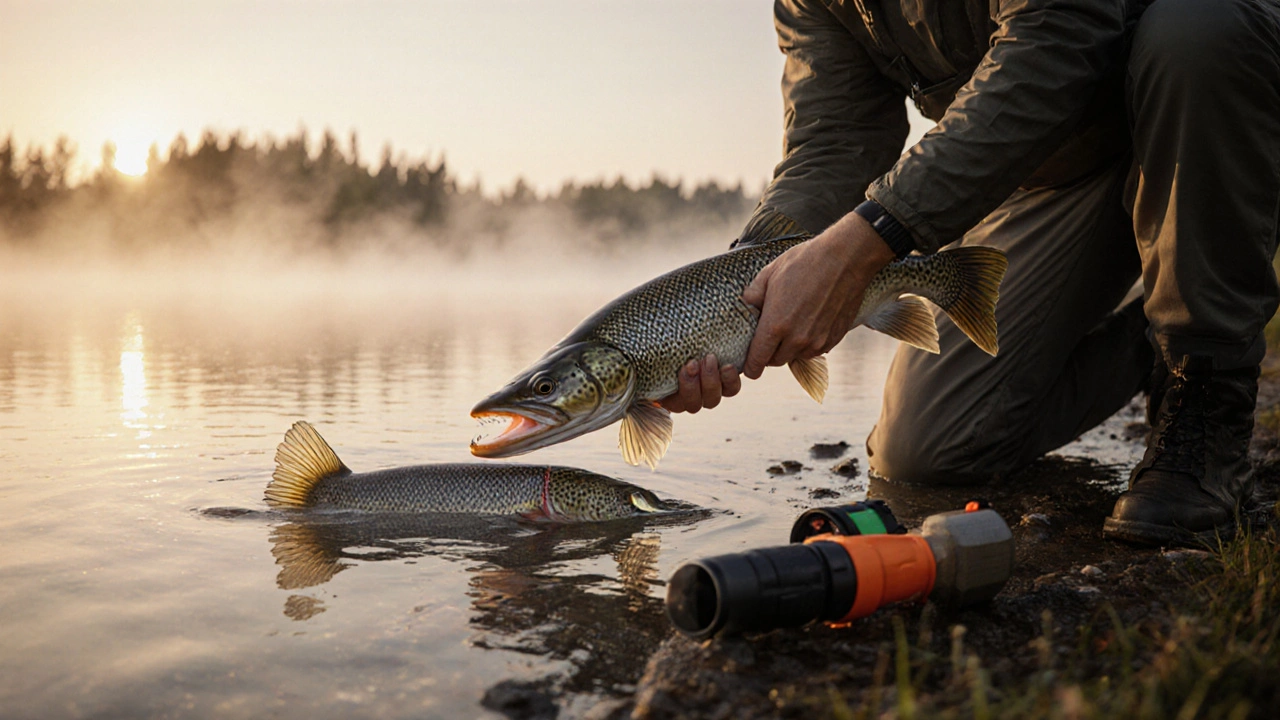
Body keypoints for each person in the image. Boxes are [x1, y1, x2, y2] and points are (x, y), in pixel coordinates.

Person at [660, 0, 1280, 546]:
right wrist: (743, 292)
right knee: (924, 451)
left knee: (1198, 29)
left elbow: (1057, 34)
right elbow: (833, 143)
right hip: (1055, 169)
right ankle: (1156, 342)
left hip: (1204, 99)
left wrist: (875, 234)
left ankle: (1206, 386)